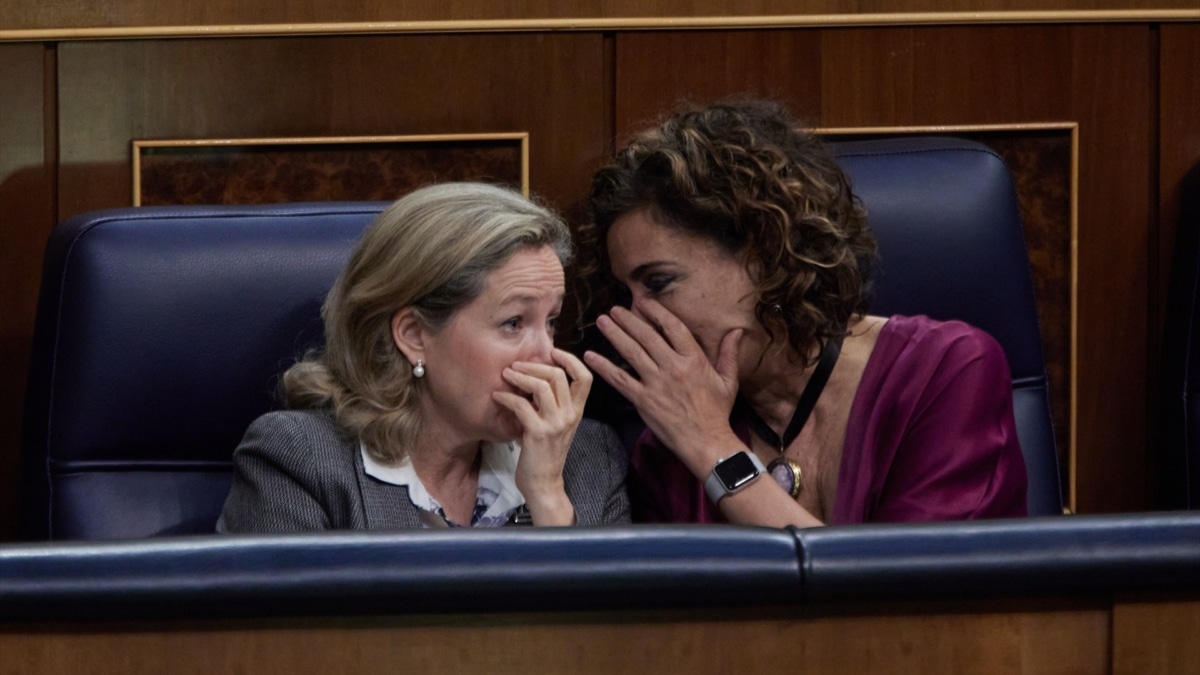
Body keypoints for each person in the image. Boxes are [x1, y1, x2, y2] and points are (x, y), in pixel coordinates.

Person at [579, 99, 1027, 528]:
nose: (635, 319)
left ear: (763, 251)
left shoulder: (946, 373)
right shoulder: (665, 448)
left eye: (658, 282)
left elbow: (905, 598)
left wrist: (712, 447)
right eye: (626, 294)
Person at [218, 182, 629, 531]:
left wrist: (548, 499)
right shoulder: (301, 461)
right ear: (413, 335)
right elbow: (288, 628)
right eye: (513, 323)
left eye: (552, 321)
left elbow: (612, 628)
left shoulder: (586, 460)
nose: (546, 356)